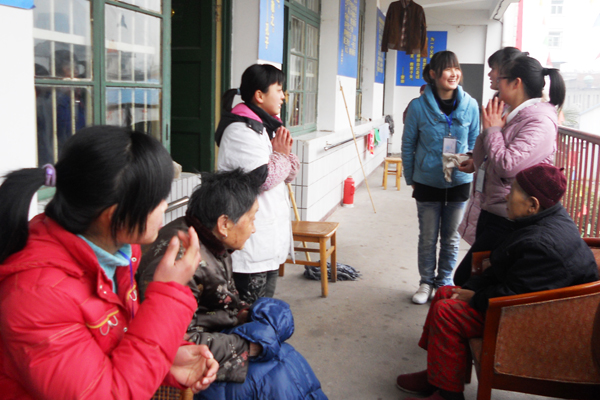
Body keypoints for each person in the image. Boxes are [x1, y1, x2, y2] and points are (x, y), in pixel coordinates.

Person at [0, 126, 218, 399]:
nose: (165, 206)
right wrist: (168, 294)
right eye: (157, 199)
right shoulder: (37, 295)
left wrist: (168, 359)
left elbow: (110, 343)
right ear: (115, 216)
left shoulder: (118, 252)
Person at [396, 163, 599, 400]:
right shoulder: (544, 219)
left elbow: (515, 296)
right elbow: (508, 271)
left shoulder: (542, 245)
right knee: (444, 293)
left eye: (513, 192)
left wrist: (476, 297)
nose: (506, 197)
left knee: (447, 312)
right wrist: (472, 288)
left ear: (533, 204)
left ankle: (448, 395)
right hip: (529, 302)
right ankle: (437, 375)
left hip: (536, 320)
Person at [137, 168, 327, 400]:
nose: (254, 228)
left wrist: (247, 314)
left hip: (218, 339)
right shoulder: (183, 261)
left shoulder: (208, 239)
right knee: (276, 378)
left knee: (285, 359)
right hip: (195, 364)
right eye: (252, 219)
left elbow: (223, 302)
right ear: (224, 224)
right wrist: (247, 347)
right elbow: (173, 343)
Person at [453, 54, 566, 286]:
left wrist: (493, 130)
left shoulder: (540, 121)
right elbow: (486, 155)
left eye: (500, 77)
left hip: (510, 215)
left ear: (516, 83)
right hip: (492, 206)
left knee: (467, 278)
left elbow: (507, 166)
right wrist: (488, 131)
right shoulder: (513, 113)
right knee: (477, 278)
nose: (494, 81)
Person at [215, 64, 299, 303]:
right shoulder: (241, 130)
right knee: (250, 312)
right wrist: (281, 155)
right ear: (259, 95)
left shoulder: (266, 126)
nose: (283, 96)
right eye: (279, 90)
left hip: (266, 239)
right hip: (250, 243)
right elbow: (263, 178)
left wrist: (283, 156)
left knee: (263, 307)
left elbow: (290, 173)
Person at [402, 50, 480, 304]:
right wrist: (411, 177)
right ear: (434, 74)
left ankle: (444, 282)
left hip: (459, 181)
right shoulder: (417, 107)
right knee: (427, 237)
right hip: (427, 180)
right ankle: (426, 282)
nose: (454, 74)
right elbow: (408, 144)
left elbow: (476, 141)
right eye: (448, 69)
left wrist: (471, 163)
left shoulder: (470, 105)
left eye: (456, 68)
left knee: (451, 237)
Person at [457, 47, 525, 247]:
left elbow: (506, 163)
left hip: (504, 205)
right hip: (489, 198)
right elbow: (490, 145)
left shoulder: (529, 117)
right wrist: (476, 160)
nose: (490, 74)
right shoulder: (501, 104)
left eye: (494, 69)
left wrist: (493, 130)